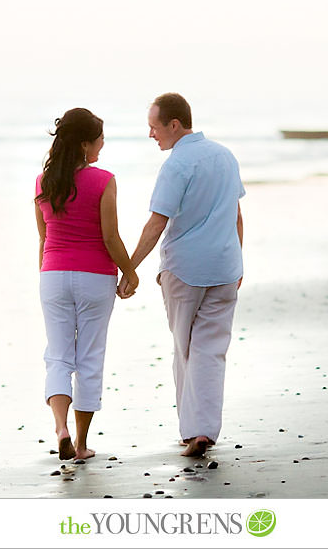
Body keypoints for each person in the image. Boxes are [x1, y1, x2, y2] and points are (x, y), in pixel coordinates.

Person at [119, 93, 244, 458]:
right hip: (224, 267)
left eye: (154, 128)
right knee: (211, 351)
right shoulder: (225, 156)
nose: (151, 135)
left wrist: (129, 267)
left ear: (175, 124)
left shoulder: (177, 165)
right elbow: (236, 215)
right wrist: (239, 260)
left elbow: (157, 222)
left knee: (184, 350)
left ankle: (192, 431)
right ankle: (203, 430)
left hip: (186, 270)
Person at [35, 107, 139, 461]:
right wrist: (131, 272)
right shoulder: (103, 180)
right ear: (84, 143)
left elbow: (44, 238)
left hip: (52, 276)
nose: (102, 146)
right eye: (99, 140)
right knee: (90, 358)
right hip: (95, 277)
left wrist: (46, 277)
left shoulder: (43, 182)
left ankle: (60, 428)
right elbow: (110, 237)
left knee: (59, 357)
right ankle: (80, 445)